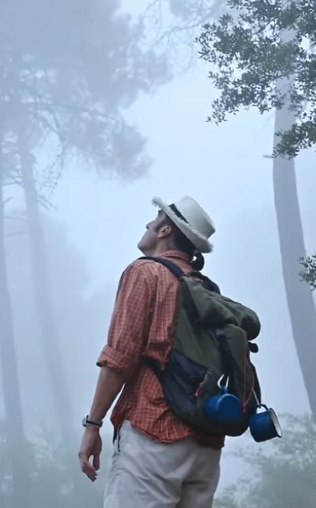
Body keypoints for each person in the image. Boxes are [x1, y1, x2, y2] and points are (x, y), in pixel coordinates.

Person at [78, 195, 222, 508]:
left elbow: (120, 357)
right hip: (206, 445)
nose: (147, 223)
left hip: (153, 431)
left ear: (165, 231)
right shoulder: (206, 288)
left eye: (156, 218)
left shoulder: (145, 273)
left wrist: (93, 425)